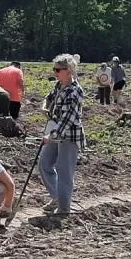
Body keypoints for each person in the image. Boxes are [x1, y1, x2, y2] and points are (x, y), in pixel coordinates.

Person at [39, 53, 86, 217]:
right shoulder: (59, 86)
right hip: (54, 131)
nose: (55, 73)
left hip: (68, 135)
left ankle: (64, 207)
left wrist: (52, 136)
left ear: (70, 71)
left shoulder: (74, 92)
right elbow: (49, 97)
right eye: (55, 69)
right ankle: (56, 197)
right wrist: (45, 106)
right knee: (44, 164)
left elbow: (68, 120)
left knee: (64, 170)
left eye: (59, 70)